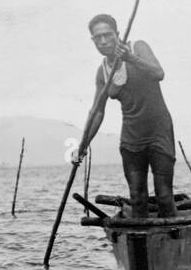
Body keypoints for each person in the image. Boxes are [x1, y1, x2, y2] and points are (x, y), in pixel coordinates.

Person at [75, 14, 178, 219]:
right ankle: (140, 244)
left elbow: (159, 73)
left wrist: (130, 58)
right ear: (93, 41)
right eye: (98, 38)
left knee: (164, 195)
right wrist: (83, 146)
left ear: (117, 35)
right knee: (137, 198)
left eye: (108, 35)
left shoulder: (137, 48)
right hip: (132, 137)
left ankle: (171, 241)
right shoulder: (102, 72)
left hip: (159, 132)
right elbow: (97, 112)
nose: (103, 41)